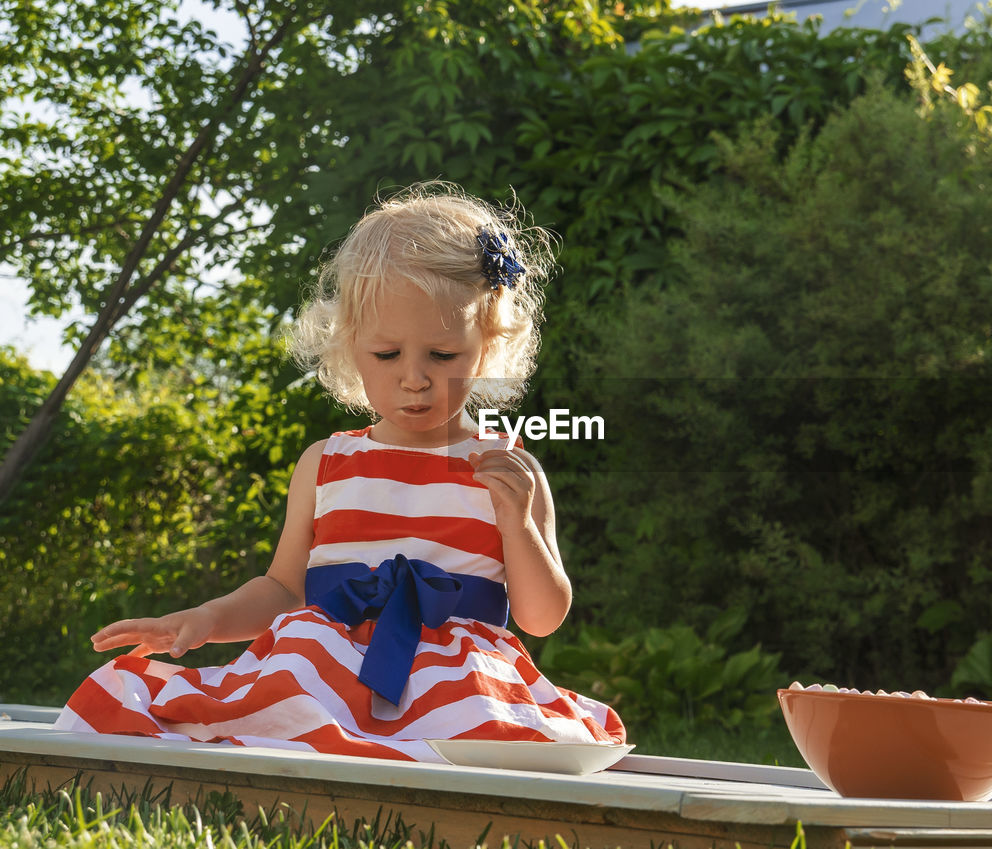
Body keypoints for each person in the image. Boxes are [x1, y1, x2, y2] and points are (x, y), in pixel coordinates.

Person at [53, 182, 626, 760]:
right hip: (323, 665)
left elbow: (542, 617)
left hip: (461, 681)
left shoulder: (508, 467)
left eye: (442, 355)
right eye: (386, 354)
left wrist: (518, 525)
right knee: (246, 714)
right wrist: (204, 619)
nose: (414, 377)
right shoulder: (327, 464)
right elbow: (281, 589)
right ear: (349, 347)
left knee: (486, 740)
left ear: (488, 347)